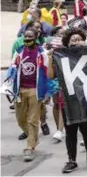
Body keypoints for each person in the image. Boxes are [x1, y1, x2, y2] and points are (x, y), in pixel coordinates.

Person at [6, 26, 56, 162]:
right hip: (19, 90)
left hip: (35, 90)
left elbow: (48, 75)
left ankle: (29, 147)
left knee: (32, 119)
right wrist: (8, 86)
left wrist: (48, 93)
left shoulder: (43, 54)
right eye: (25, 37)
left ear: (36, 37)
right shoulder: (19, 52)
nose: (27, 39)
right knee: (21, 119)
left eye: (30, 37)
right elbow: (12, 69)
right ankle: (33, 138)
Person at [55, 28, 87, 173]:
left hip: (85, 100)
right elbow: (50, 75)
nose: (76, 42)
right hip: (68, 100)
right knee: (70, 131)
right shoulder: (60, 57)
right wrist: (49, 58)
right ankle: (72, 160)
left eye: (79, 39)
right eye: (73, 40)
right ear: (67, 43)